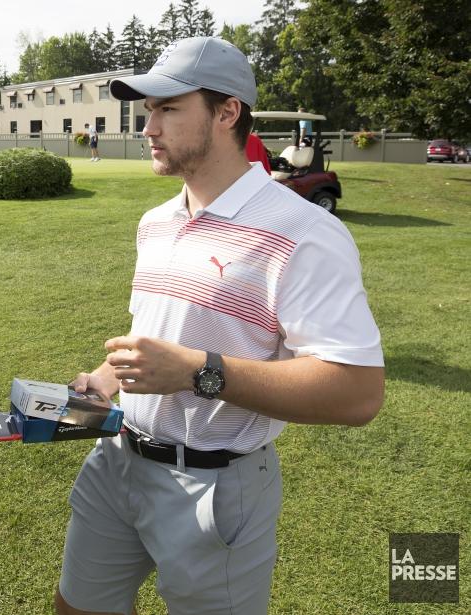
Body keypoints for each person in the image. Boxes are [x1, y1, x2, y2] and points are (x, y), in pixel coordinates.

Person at [54, 36, 384, 615]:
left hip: (216, 486)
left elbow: (357, 392)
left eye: (168, 109)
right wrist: (105, 378)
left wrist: (198, 372)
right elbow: (160, 333)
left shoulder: (304, 231)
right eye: (148, 111)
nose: (148, 127)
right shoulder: (156, 222)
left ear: (227, 112)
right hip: (116, 461)